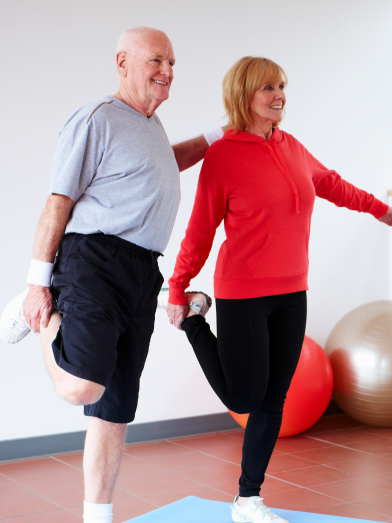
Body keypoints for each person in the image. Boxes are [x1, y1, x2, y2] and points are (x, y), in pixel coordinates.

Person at [0, 27, 223, 523]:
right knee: (81, 386)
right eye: (156, 61)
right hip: (93, 261)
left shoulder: (151, 125)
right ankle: (33, 308)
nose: (167, 71)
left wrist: (217, 137)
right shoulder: (98, 118)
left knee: (115, 407)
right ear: (122, 63)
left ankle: (96, 518)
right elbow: (58, 201)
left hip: (142, 272)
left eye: (172, 62)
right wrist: (39, 281)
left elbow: (168, 163)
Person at [166, 56, 392, 523]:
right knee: (242, 400)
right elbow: (201, 228)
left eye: (282, 86)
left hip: (292, 290)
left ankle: (248, 499)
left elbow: (329, 183)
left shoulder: (290, 145)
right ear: (243, 94)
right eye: (268, 87)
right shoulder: (224, 154)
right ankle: (193, 319)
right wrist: (178, 287)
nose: (279, 95)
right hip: (242, 292)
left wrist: (379, 209)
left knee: (273, 400)